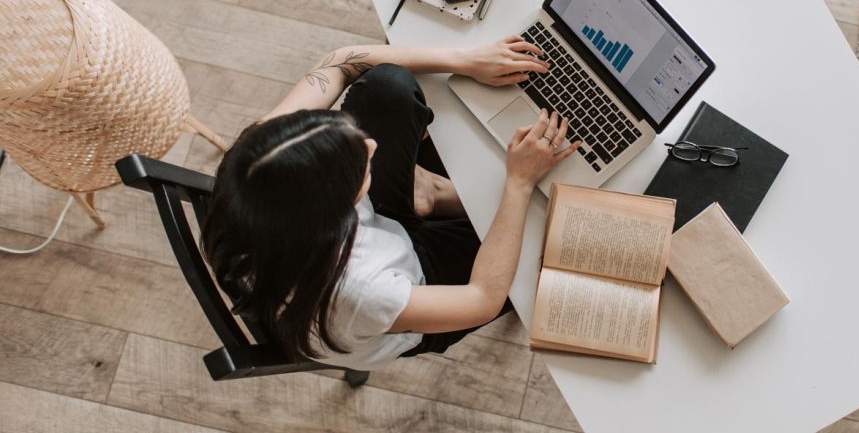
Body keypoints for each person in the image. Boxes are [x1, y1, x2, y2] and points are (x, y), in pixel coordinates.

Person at [200, 36, 580, 370]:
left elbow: (340, 62)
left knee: (386, 86)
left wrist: (465, 59)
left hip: (353, 243)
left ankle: (425, 195)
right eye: (359, 166)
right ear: (338, 211)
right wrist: (518, 183)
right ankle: (430, 195)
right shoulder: (363, 291)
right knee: (550, 242)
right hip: (414, 290)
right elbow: (482, 298)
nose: (371, 145)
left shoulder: (258, 160)